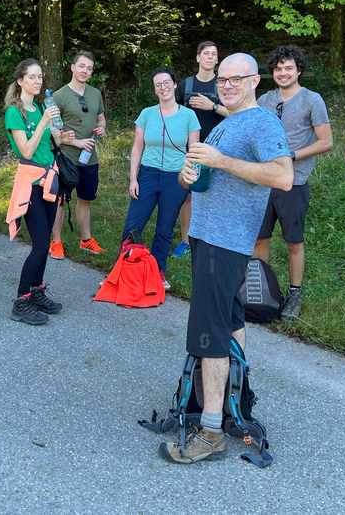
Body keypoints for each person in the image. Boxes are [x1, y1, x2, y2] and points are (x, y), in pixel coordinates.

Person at [160, 52, 293, 464]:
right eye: (222, 80)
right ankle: (238, 404)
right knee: (231, 322)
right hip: (207, 236)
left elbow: (283, 176)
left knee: (209, 331)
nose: (228, 85)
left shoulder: (261, 121)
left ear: (255, 81)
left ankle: (212, 431)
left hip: (226, 242)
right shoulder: (228, 123)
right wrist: (190, 174)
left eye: (237, 79)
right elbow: (208, 178)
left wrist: (220, 161)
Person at [253, 45, 333, 320]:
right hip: (263, 182)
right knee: (259, 239)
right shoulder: (264, 100)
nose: (283, 73)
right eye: (278, 69)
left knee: (293, 243)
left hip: (294, 183)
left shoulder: (312, 100)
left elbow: (326, 142)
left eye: (289, 68)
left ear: (299, 70)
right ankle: (261, 291)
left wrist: (292, 155)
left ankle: (294, 294)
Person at [4, 59, 74, 325]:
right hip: (30, 181)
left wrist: (61, 136)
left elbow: (49, 143)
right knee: (41, 243)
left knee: (43, 245)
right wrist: (44, 121)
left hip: (49, 178)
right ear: (20, 80)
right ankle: (21, 301)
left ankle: (36, 290)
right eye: (32, 77)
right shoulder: (15, 112)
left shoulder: (42, 106)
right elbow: (26, 151)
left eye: (40, 77)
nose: (38, 81)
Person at [121, 67, 200, 290]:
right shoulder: (147, 114)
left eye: (167, 83)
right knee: (132, 226)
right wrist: (132, 179)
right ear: (154, 90)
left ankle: (157, 270)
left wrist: (190, 178)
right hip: (147, 175)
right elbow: (137, 148)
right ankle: (124, 269)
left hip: (175, 179)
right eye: (158, 85)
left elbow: (193, 151)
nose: (163, 87)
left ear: (175, 85)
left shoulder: (189, 116)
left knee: (165, 228)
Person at [49, 51, 108, 260]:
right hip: (66, 159)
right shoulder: (59, 96)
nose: (85, 71)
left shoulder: (95, 94)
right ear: (73, 67)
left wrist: (101, 129)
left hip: (90, 159)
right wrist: (76, 142)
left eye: (89, 68)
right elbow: (54, 131)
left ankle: (86, 240)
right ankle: (56, 242)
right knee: (60, 200)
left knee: (85, 199)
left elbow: (101, 119)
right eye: (81, 66)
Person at [171, 41, 227, 259]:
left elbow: (236, 113)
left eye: (214, 54)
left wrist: (212, 106)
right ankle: (185, 241)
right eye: (206, 54)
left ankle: (214, 241)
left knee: (217, 194)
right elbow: (173, 112)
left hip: (219, 150)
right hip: (191, 149)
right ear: (198, 58)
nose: (210, 57)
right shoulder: (185, 85)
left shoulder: (223, 85)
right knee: (188, 196)